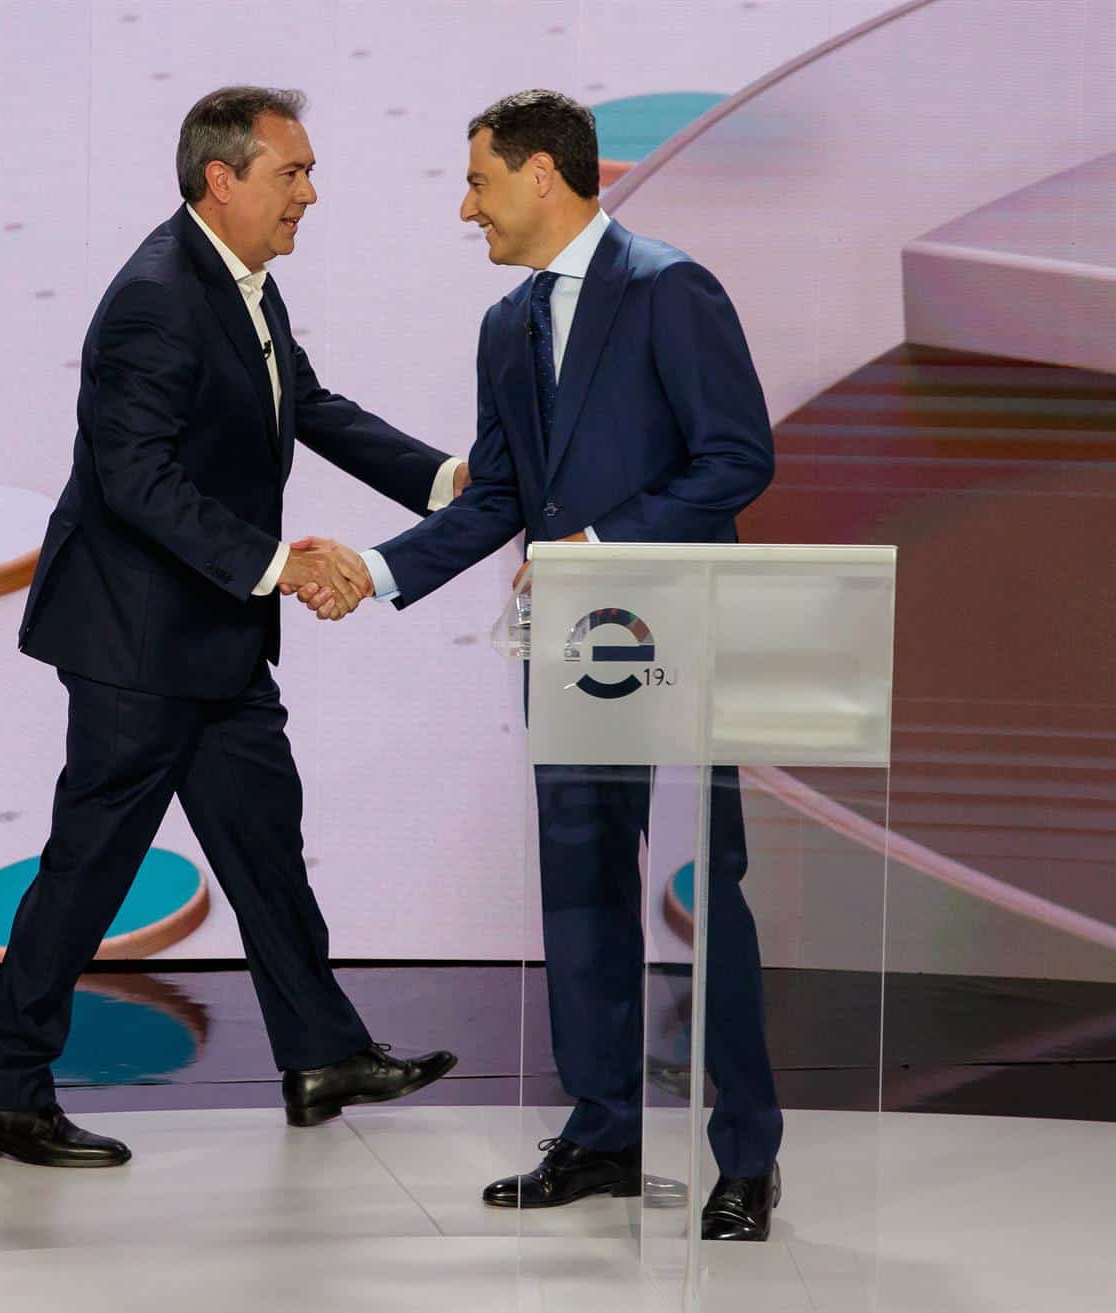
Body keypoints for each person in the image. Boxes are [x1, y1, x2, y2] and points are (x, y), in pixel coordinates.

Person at [0, 86, 463, 1169]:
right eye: (293, 173)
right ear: (221, 178)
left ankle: (322, 1053)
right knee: (89, 867)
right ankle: (1, 1092)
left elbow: (307, 407)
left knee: (266, 844)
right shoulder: (154, 297)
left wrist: (447, 479)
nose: (310, 194)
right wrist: (282, 566)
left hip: (212, 638)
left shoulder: (240, 282)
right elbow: (134, 479)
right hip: (138, 646)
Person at [332, 89, 782, 1240]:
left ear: (544, 175)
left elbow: (738, 457)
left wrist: (598, 543)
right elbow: (497, 494)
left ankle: (748, 1153)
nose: (465, 205)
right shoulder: (506, 325)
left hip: (675, 637)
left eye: (478, 179)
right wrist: (377, 572)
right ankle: (604, 1131)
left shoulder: (671, 286)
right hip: (571, 657)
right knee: (580, 886)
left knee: (705, 897)